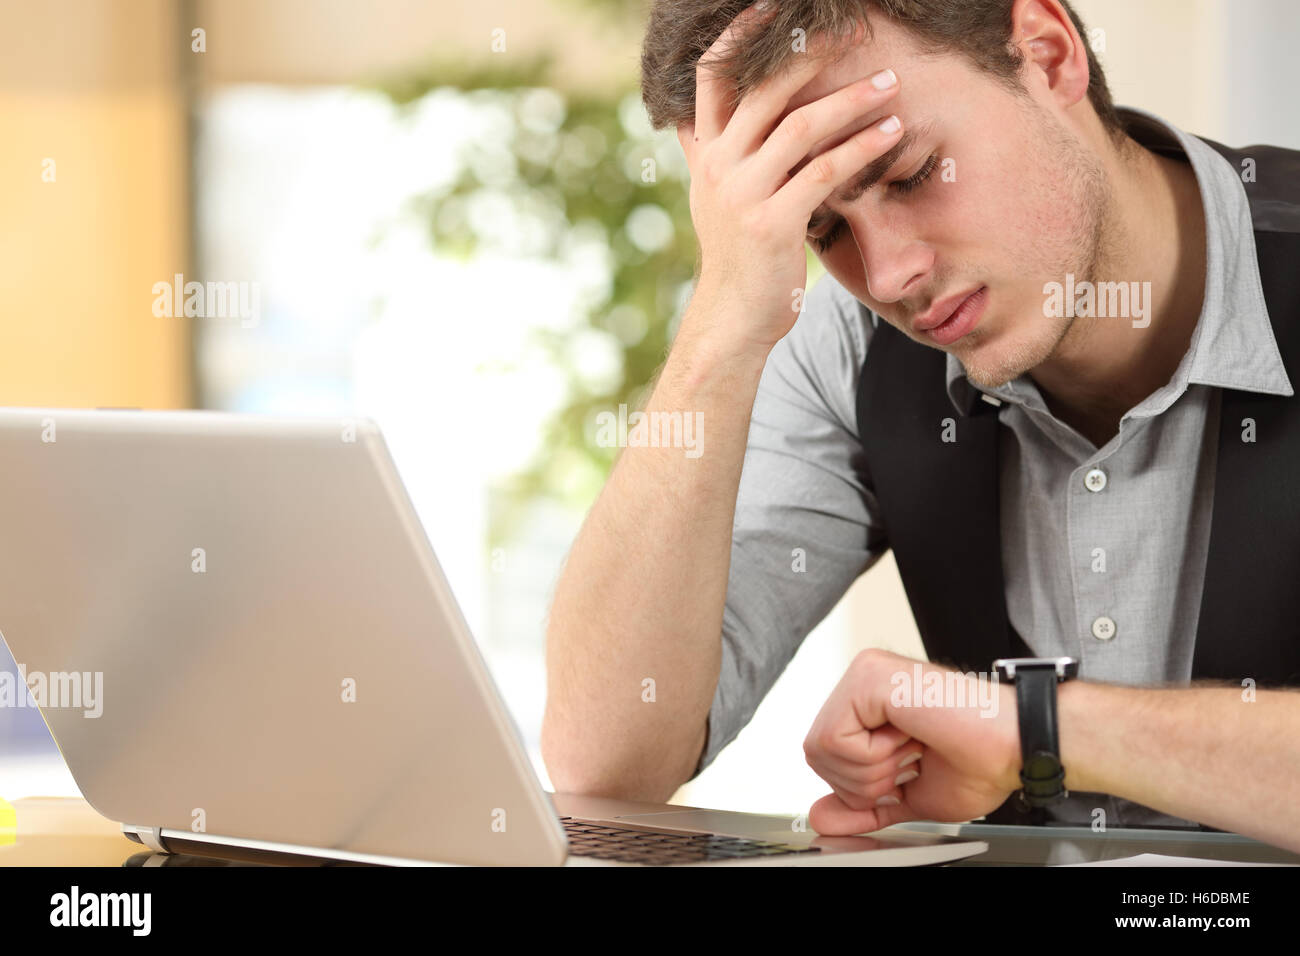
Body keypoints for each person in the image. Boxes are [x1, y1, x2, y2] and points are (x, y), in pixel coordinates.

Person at [542, 0, 1300, 852]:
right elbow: (603, 767)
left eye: (911, 173)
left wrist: (1038, 733)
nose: (891, 275)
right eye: (821, 228)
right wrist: (721, 323)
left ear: (1047, 56)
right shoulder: (847, 349)